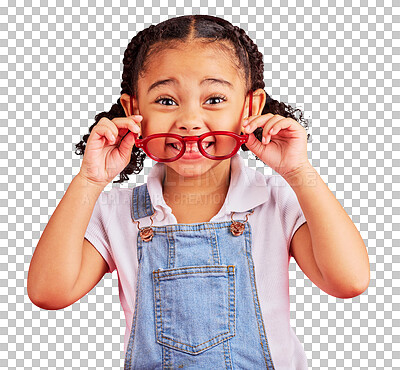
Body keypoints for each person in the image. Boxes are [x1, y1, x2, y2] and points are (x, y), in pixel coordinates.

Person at [27, 15, 370, 369]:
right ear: (134, 110)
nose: (189, 119)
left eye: (215, 98)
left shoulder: (278, 200)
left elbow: (348, 281)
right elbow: (49, 292)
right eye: (166, 101)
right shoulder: (116, 210)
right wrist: (89, 179)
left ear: (249, 108)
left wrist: (299, 172)